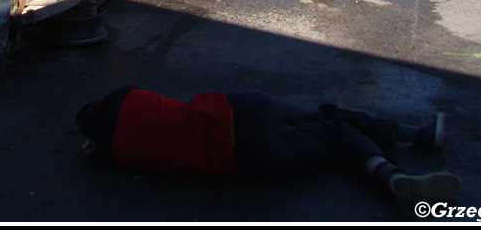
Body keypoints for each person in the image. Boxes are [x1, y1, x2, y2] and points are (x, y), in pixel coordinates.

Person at [76, 86, 461, 202]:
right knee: (321, 116)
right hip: (243, 110)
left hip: (246, 156)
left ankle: (392, 178)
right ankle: (414, 133)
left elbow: (115, 144)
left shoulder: (113, 154)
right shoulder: (126, 96)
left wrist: (101, 147)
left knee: (332, 136)